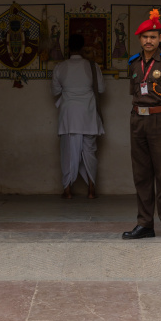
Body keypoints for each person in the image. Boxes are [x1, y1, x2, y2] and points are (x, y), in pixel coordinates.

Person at [122, 9, 161, 241]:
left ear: (159, 39)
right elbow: (135, 94)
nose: (149, 41)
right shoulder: (134, 63)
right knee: (141, 175)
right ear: (140, 39)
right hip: (138, 121)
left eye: (153, 37)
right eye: (145, 37)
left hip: (159, 122)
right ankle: (144, 224)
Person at [52, 33, 105, 199]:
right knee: (89, 152)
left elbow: (55, 91)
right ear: (83, 48)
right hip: (88, 115)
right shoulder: (92, 66)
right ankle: (91, 190)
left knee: (68, 153)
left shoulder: (60, 67)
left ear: (68, 48)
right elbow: (101, 89)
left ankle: (67, 191)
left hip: (69, 116)